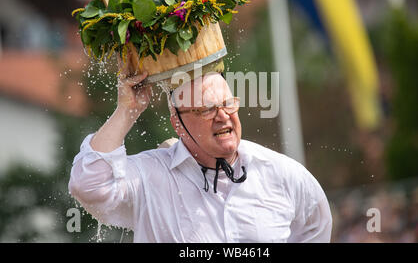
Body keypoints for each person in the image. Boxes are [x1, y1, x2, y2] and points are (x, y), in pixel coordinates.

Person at [68, 57, 333, 242]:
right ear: (178, 125)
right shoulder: (149, 176)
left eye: (228, 103)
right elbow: (88, 185)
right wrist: (127, 111)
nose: (223, 116)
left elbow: (316, 228)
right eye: (207, 109)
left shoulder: (282, 173)